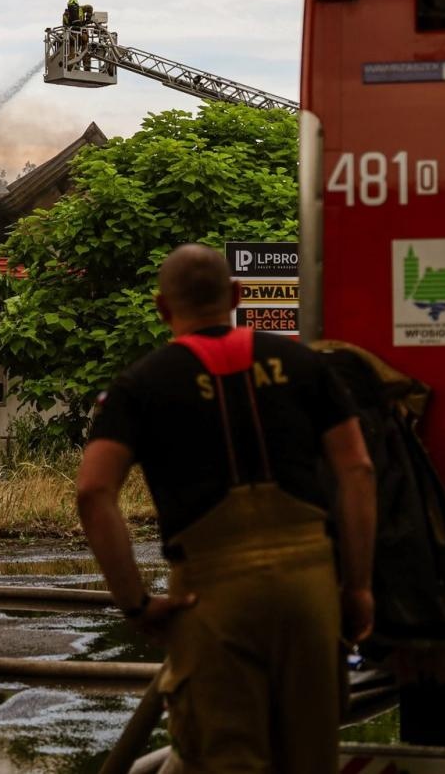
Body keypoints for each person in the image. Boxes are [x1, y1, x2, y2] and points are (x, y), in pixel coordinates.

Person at [76, 244, 376, 773]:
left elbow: (93, 492)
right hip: (308, 590)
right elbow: (357, 471)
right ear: (236, 296)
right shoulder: (305, 365)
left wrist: (137, 604)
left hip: (209, 599)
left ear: (162, 307)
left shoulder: (139, 386)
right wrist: (357, 587)